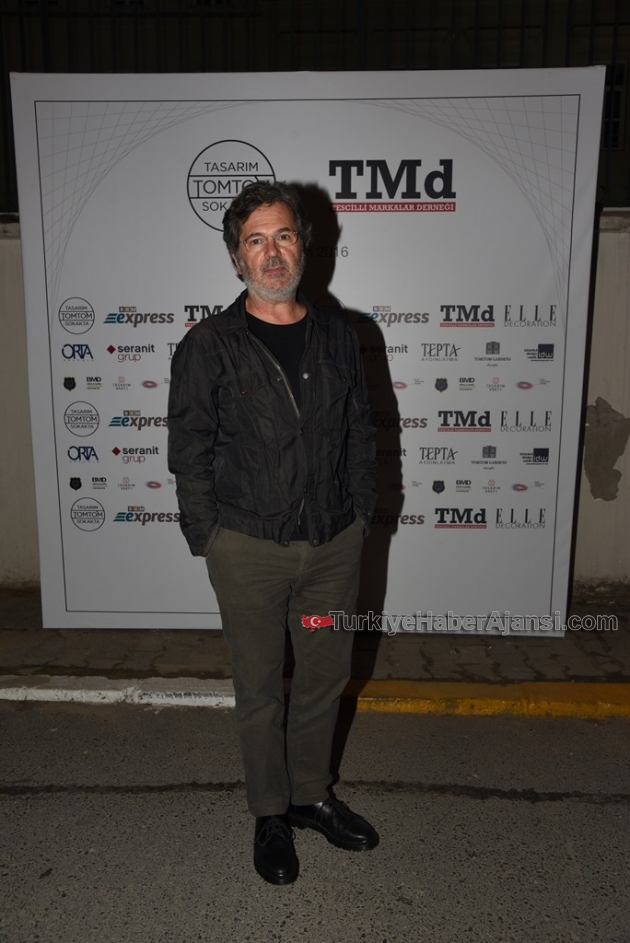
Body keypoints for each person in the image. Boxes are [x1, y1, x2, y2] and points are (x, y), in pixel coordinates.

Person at [168, 181, 378, 885]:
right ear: (237, 258)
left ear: (304, 246)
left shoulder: (341, 336)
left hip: (332, 547)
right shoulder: (208, 346)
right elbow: (189, 449)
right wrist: (210, 538)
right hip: (247, 550)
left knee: (323, 676)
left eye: (283, 235)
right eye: (255, 240)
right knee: (259, 686)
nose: (272, 252)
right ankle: (269, 813)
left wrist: (359, 517)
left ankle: (311, 794)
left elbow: (359, 432)